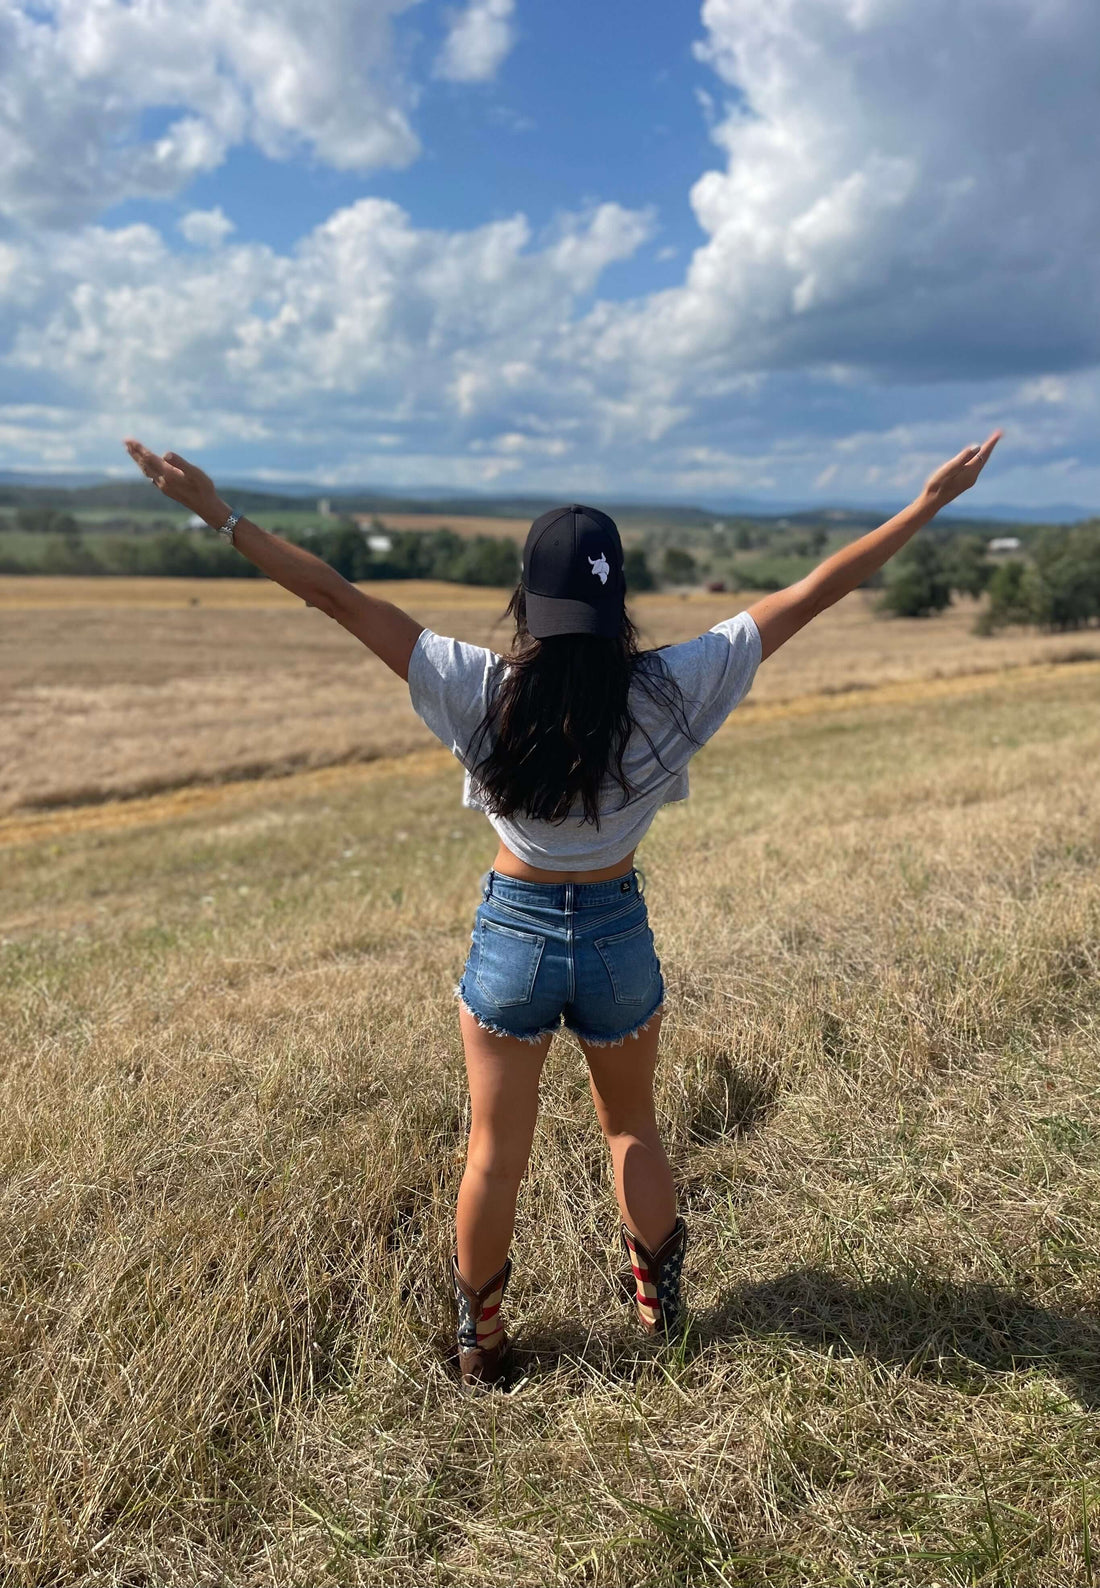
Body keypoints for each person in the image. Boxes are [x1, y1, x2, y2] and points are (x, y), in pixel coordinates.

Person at [122, 429, 1002, 1390]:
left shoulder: (479, 689)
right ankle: (661, 1317)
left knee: (495, 1154)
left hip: (515, 933)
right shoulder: (673, 688)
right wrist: (926, 506)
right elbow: (814, 592)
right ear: (616, 597)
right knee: (634, 1132)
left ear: (526, 602)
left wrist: (218, 512)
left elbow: (334, 595)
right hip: (618, 934)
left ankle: (481, 1342)